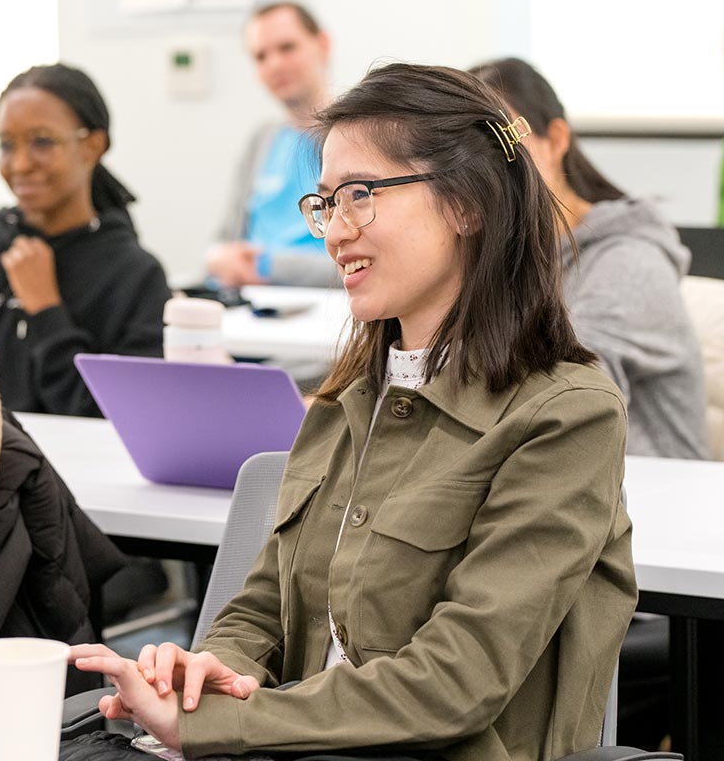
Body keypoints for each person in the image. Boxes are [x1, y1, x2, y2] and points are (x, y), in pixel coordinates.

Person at [71, 63, 637, 761]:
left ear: (468, 204)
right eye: (325, 203)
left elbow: (458, 682)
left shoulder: (567, 416)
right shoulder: (345, 402)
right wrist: (210, 674)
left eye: (360, 195)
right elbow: (261, 609)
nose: (333, 231)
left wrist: (222, 726)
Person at [471, 57, 709, 461]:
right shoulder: (508, 258)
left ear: (557, 139)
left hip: (658, 500)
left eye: (501, 141)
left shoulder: (629, 261)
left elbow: (564, 401)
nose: (487, 167)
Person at [0, 63, 170, 417]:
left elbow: (118, 418)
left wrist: (45, 310)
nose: (21, 164)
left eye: (42, 142)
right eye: (7, 145)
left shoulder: (135, 275)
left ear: (92, 146)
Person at [207, 1, 340, 288]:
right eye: (261, 56)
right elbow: (225, 242)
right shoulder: (262, 141)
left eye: (287, 48)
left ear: (323, 44)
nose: (275, 64)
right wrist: (218, 258)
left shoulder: (352, 138)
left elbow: (363, 264)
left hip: (323, 307)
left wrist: (268, 266)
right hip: (251, 304)